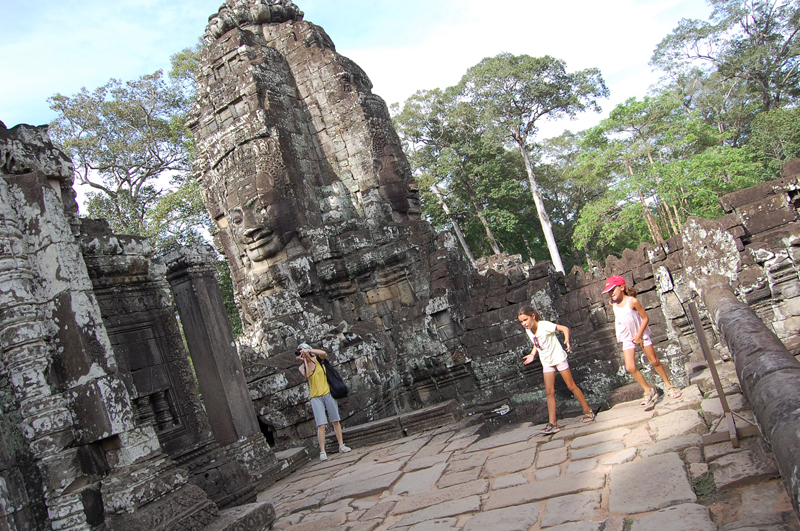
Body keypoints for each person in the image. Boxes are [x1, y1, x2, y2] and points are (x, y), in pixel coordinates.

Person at [603, 275, 682, 406]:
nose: (611, 294)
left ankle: (668, 385)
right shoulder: (613, 304)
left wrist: (639, 335)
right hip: (627, 337)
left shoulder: (632, 301)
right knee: (630, 367)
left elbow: (645, 318)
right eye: (609, 291)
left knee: (654, 360)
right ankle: (648, 390)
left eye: (613, 290)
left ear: (622, 287)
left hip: (640, 333)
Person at [517, 305, 594, 435]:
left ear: (533, 316)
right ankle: (552, 423)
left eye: (525, 320)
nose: (524, 323)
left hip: (558, 357)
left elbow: (564, 328)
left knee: (571, 386)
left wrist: (567, 340)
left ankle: (588, 410)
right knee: (549, 392)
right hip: (547, 361)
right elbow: (537, 342)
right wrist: (532, 354)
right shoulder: (529, 330)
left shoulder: (544, 325)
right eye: (521, 322)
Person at [297, 343, 351, 460]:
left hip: (327, 393)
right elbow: (306, 376)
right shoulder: (302, 367)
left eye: (303, 350)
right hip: (315, 397)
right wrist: (305, 359)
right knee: (321, 425)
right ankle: (322, 451)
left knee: (335, 420)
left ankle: (341, 445)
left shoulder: (319, 360)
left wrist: (310, 351)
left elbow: (323, 353)